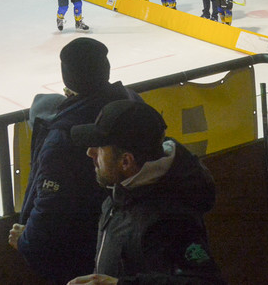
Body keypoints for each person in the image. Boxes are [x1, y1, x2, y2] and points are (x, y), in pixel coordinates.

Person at [10, 38, 139, 284]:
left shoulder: (62, 138)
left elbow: (49, 209)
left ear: (67, 78)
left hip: (77, 257)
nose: (91, 152)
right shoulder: (131, 103)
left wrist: (26, 240)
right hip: (110, 243)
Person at [67, 100, 224, 284]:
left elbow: (208, 282)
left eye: (100, 147)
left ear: (126, 162)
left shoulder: (171, 220)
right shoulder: (121, 191)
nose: (90, 152)